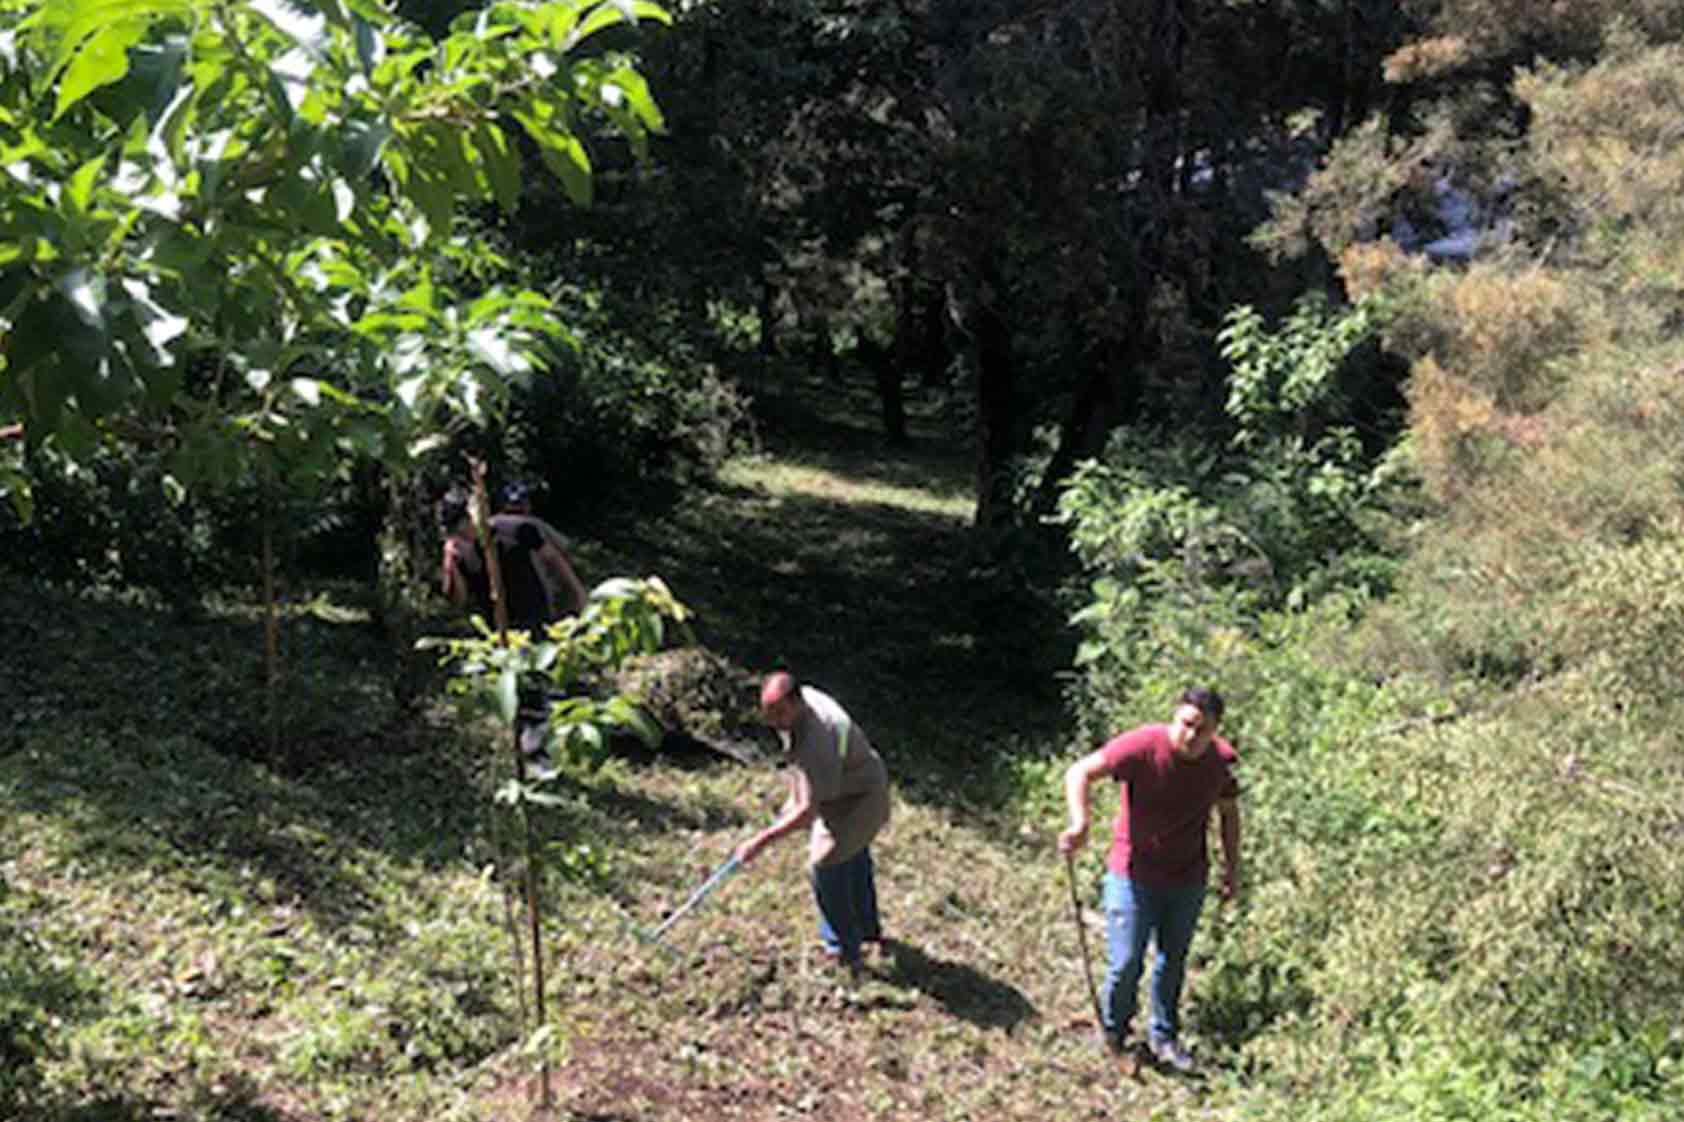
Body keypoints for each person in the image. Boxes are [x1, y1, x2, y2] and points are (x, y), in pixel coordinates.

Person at [1057, 686, 1241, 1074]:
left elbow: (1229, 813)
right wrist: (1080, 823)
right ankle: (1113, 1031)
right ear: (1175, 717)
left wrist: (1232, 868)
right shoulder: (1143, 745)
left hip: (1188, 876)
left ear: (1216, 731)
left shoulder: (1220, 764)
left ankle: (1164, 1037)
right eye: (1186, 724)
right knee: (1126, 962)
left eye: (1202, 729)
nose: (1191, 736)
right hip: (1133, 871)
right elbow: (1079, 772)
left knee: (1173, 960)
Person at [734, 672, 891, 971]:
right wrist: (791, 800)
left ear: (796, 703)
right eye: (767, 713)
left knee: (826, 863)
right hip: (846, 782)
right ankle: (867, 930)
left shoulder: (817, 738)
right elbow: (799, 767)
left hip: (862, 797)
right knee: (851, 853)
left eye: (779, 713)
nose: (773, 721)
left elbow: (808, 813)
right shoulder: (798, 708)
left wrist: (761, 841)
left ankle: (844, 949)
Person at [439, 487, 586, 629]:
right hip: (497, 630)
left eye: (463, 523)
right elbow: (458, 600)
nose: (462, 532)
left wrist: (577, 594)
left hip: (535, 616)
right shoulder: (459, 553)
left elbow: (553, 560)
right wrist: (450, 564)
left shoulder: (514, 529)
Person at [494, 480, 587, 616]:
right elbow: (562, 552)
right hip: (536, 593)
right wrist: (578, 592)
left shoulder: (488, 526)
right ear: (527, 505)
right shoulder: (533, 525)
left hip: (499, 596)